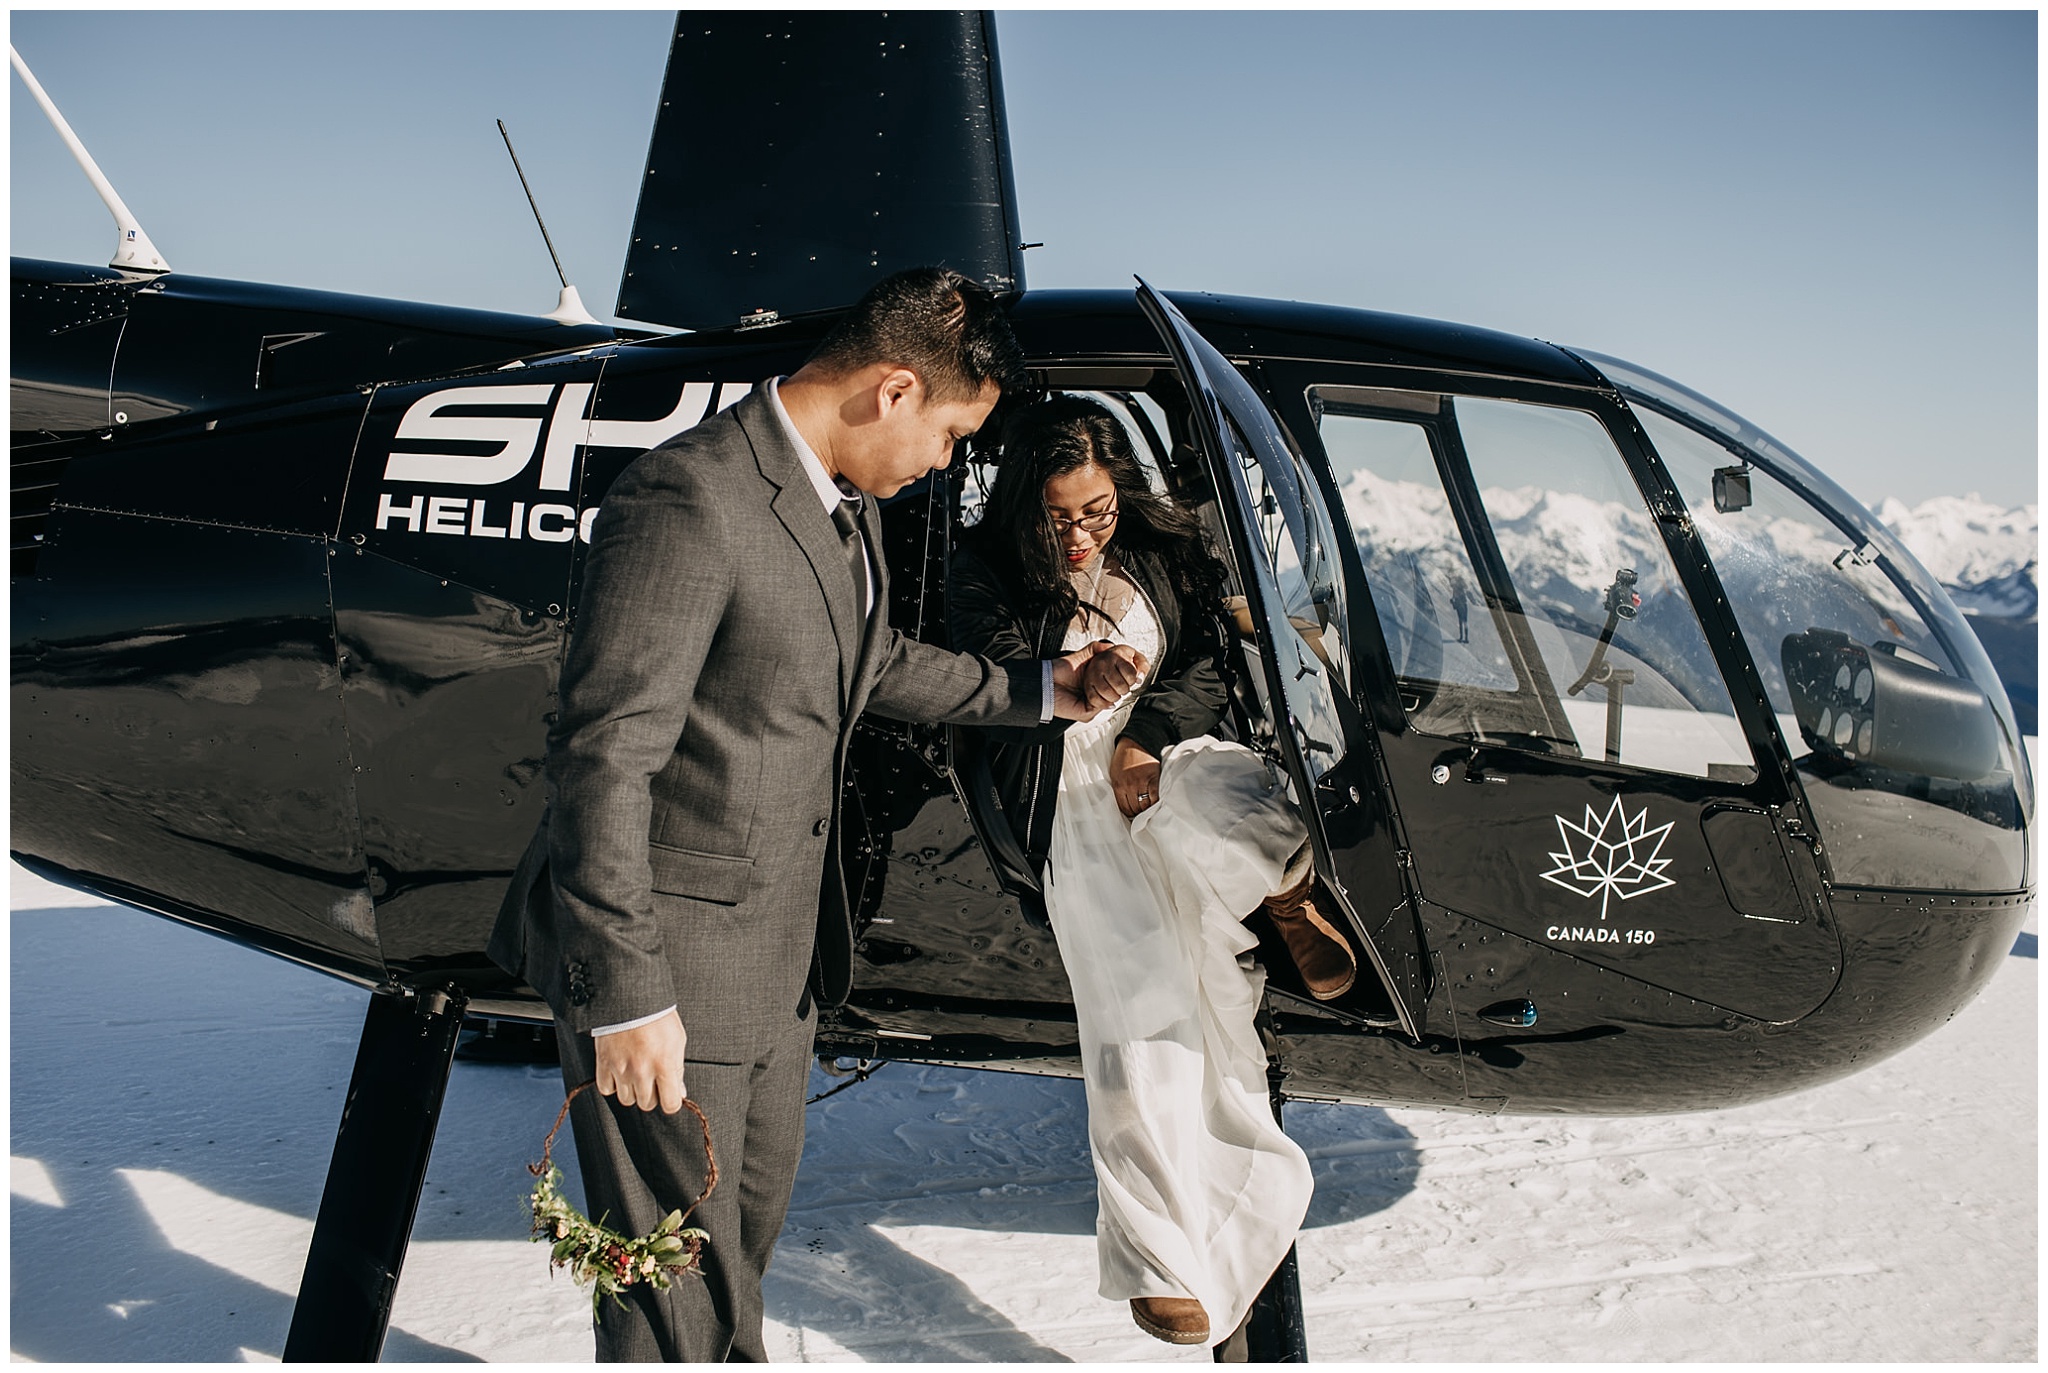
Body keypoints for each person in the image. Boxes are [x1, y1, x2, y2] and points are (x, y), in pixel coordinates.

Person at [489, 269, 1143, 1362]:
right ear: (893, 390)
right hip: (670, 974)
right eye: (946, 434)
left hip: (777, 964)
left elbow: (869, 662)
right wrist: (627, 994)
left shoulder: (839, 504)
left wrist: (1043, 690)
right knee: (666, 1295)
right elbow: (604, 760)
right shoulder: (688, 497)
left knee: (732, 1256)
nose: (942, 462)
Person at [949, 394, 1360, 1348]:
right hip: (1068, 788)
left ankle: (1287, 891)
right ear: (1025, 506)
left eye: (1096, 510)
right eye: (1060, 517)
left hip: (1155, 756)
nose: (1083, 532)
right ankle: (1163, 1254)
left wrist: (1147, 729)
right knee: (1142, 1014)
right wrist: (1072, 684)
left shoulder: (1160, 552)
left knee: (1220, 804)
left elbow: (1206, 668)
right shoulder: (988, 569)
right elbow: (991, 670)